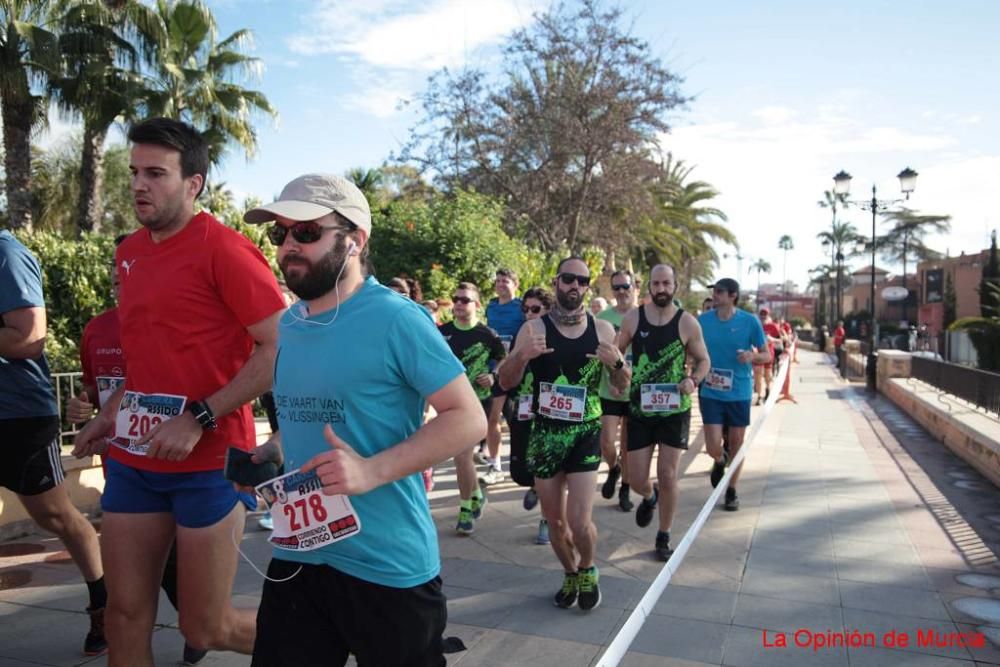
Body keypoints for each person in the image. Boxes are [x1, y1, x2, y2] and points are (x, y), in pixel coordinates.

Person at [241, 172, 486, 666]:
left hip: (386, 565)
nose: (289, 245)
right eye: (280, 233)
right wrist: (278, 447)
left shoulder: (396, 318)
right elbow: (319, 409)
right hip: (299, 554)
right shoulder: (290, 324)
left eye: (306, 233)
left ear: (355, 240)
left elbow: (468, 418)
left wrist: (372, 471)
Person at [71, 118, 286, 666]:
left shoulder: (227, 250)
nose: (140, 185)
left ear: (194, 183)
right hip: (136, 462)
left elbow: (277, 348)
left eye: (156, 174)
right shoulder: (129, 253)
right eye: (134, 173)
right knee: (124, 612)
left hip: (210, 464)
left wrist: (200, 418)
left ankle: (322, 644)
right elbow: (146, 363)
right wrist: (109, 414)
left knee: (204, 625)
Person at [65, 234, 207, 666]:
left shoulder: (173, 326)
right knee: (133, 592)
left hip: (171, 469)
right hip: (119, 469)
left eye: (129, 269)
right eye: (116, 270)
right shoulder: (97, 328)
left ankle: (201, 625)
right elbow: (94, 389)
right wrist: (83, 408)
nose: (120, 277)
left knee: (175, 569)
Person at [500, 257, 630, 612]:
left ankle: (588, 568)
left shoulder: (602, 330)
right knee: (555, 521)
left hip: (585, 432)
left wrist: (617, 364)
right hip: (544, 433)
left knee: (579, 520)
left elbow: (621, 387)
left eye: (582, 281)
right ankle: (570, 572)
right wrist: (522, 356)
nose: (575, 286)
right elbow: (506, 381)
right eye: (569, 279)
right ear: (556, 281)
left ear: (588, 287)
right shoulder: (532, 329)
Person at [1, 229, 108, 657]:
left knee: (56, 516)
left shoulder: (6, 254)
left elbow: (30, 338)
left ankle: (103, 602)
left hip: (18, 417)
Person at [617, 265, 710, 560]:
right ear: (648, 286)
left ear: (675, 286)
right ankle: (649, 495)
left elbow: (704, 360)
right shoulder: (633, 318)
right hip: (641, 407)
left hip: (674, 408)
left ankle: (664, 534)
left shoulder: (687, 323)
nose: (661, 288)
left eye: (666, 283)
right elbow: (615, 352)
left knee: (668, 475)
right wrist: (618, 374)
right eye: (656, 283)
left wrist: (692, 379)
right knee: (637, 477)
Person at [438, 282, 505, 534]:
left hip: (479, 402)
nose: (458, 303)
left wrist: (493, 375)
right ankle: (475, 494)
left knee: (462, 456)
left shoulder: (487, 334)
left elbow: (502, 356)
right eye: (455, 299)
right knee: (463, 457)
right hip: (452, 402)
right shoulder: (441, 332)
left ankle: (466, 509)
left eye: (464, 300)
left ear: (476, 305)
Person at [698, 279, 769, 512]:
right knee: (711, 444)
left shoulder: (750, 322)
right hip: (710, 391)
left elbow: (767, 355)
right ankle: (719, 460)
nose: (715, 296)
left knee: (738, 444)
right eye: (714, 292)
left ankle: (731, 491)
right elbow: (691, 348)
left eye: (719, 292)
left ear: (733, 296)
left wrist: (752, 356)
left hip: (739, 392)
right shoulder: (703, 320)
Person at [504, 287, 553, 544]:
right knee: (525, 465)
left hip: (550, 412)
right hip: (524, 406)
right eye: (525, 309)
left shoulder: (556, 335)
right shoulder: (521, 335)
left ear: (548, 310)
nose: (529, 314)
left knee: (549, 469)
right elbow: (510, 375)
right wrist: (522, 355)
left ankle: (546, 520)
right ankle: (535, 486)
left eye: (535, 309)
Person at [596, 269, 637, 512]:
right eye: (617, 287)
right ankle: (614, 468)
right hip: (608, 388)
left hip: (635, 391)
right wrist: (611, 379)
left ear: (635, 288)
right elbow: (599, 352)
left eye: (626, 286)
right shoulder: (602, 316)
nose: (621, 291)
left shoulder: (643, 316)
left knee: (628, 446)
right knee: (607, 444)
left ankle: (626, 489)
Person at [481, 268, 525, 483]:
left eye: (505, 281)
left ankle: (523, 460)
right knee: (492, 417)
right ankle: (495, 465)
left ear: (515, 284)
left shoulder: (523, 307)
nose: (500, 284)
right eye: (497, 281)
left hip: (519, 370)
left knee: (518, 420)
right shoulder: (491, 306)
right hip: (495, 368)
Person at [753, 308, 782, 406]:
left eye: (765, 314)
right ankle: (759, 396)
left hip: (769, 353)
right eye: (761, 314)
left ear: (768, 315)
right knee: (758, 374)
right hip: (758, 353)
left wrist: (771, 339)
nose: (763, 316)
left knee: (767, 375)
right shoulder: (755, 326)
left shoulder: (773, 326)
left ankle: (768, 389)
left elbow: (781, 340)